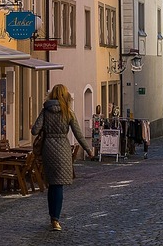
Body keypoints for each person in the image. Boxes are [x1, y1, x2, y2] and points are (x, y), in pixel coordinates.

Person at [32, 84, 94, 232]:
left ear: (52, 95)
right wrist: (89, 150)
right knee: (58, 185)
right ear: (66, 96)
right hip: (63, 150)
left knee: (52, 185)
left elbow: (35, 130)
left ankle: (51, 216)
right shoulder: (68, 112)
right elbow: (78, 134)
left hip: (48, 149)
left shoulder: (45, 111)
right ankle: (56, 220)